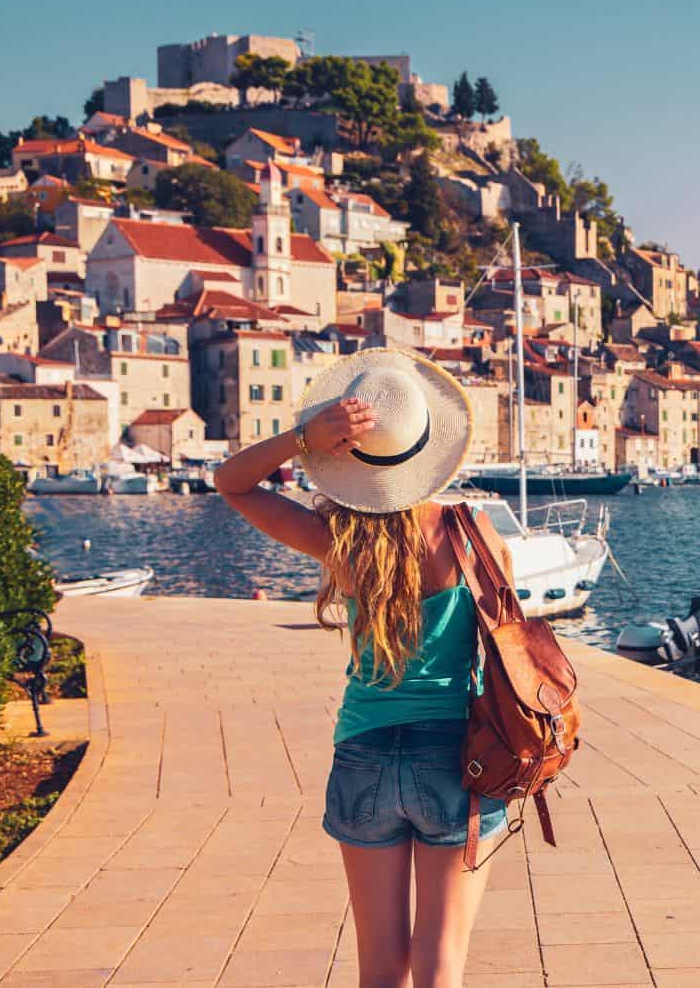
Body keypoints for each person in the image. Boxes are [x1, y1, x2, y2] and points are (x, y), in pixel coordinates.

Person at [215, 348, 506, 988]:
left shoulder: (341, 542)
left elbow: (230, 481)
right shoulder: (473, 533)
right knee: (440, 967)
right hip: (459, 760)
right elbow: (506, 646)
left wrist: (301, 438)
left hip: (364, 756)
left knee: (379, 967)